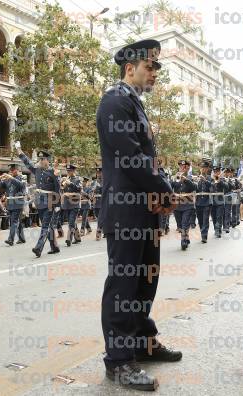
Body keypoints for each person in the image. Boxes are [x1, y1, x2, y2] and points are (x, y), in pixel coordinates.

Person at [96, 39, 180, 391]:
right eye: (151, 66)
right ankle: (118, 361)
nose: (155, 72)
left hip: (143, 210)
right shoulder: (115, 101)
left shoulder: (134, 103)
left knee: (145, 282)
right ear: (130, 68)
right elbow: (131, 157)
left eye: (157, 67)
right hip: (126, 211)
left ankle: (143, 343)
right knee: (124, 286)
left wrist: (159, 193)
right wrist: (164, 189)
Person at [16, 144, 61, 258]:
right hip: (40, 202)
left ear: (47, 160)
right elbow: (27, 162)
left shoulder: (53, 172)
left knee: (45, 226)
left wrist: (57, 205)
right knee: (48, 226)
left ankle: (38, 248)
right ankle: (54, 247)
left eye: (43, 159)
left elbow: (57, 189)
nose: (41, 161)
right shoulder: (37, 170)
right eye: (40, 159)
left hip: (50, 202)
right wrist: (19, 150)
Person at [171, 160, 196, 251]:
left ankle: (183, 241)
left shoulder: (190, 177)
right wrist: (173, 180)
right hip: (177, 205)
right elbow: (170, 187)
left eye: (184, 166)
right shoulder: (175, 177)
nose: (182, 168)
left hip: (187, 205)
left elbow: (194, 188)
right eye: (181, 166)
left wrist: (186, 180)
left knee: (185, 223)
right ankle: (186, 237)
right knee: (180, 225)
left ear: (187, 168)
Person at [1, 164, 27, 246]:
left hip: (18, 202)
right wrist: (1, 180)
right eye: (10, 171)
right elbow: (3, 188)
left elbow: (21, 185)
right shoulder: (8, 179)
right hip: (10, 203)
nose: (11, 172)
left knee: (14, 222)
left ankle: (10, 239)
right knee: (15, 221)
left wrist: (11, 178)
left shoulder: (22, 177)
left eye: (13, 170)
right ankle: (22, 238)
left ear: (17, 170)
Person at [61, 164, 82, 247]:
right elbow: (62, 189)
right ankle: (77, 238)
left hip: (75, 203)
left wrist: (70, 183)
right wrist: (62, 183)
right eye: (67, 171)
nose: (68, 172)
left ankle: (68, 239)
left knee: (71, 222)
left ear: (73, 171)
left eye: (70, 171)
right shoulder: (66, 179)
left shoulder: (78, 179)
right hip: (67, 204)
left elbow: (79, 189)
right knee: (72, 222)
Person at [195, 159, 213, 243]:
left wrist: (205, 180)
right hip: (198, 202)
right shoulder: (196, 178)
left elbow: (213, 187)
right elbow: (193, 189)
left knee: (206, 219)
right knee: (200, 220)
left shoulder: (210, 178)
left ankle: (204, 236)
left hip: (207, 202)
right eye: (201, 168)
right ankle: (202, 231)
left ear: (207, 169)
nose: (203, 169)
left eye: (204, 168)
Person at [211, 165, 227, 238]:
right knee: (214, 217)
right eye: (214, 171)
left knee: (218, 216)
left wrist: (219, 180)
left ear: (219, 172)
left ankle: (218, 230)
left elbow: (226, 187)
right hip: (212, 201)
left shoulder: (222, 179)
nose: (216, 173)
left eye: (217, 171)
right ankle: (216, 229)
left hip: (220, 201)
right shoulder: (211, 179)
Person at [91, 167, 104, 240]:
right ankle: (105, 230)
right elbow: (91, 191)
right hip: (96, 202)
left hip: (103, 201)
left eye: (100, 173)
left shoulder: (105, 181)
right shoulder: (94, 182)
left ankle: (98, 232)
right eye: (97, 173)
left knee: (100, 218)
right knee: (98, 217)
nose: (98, 174)